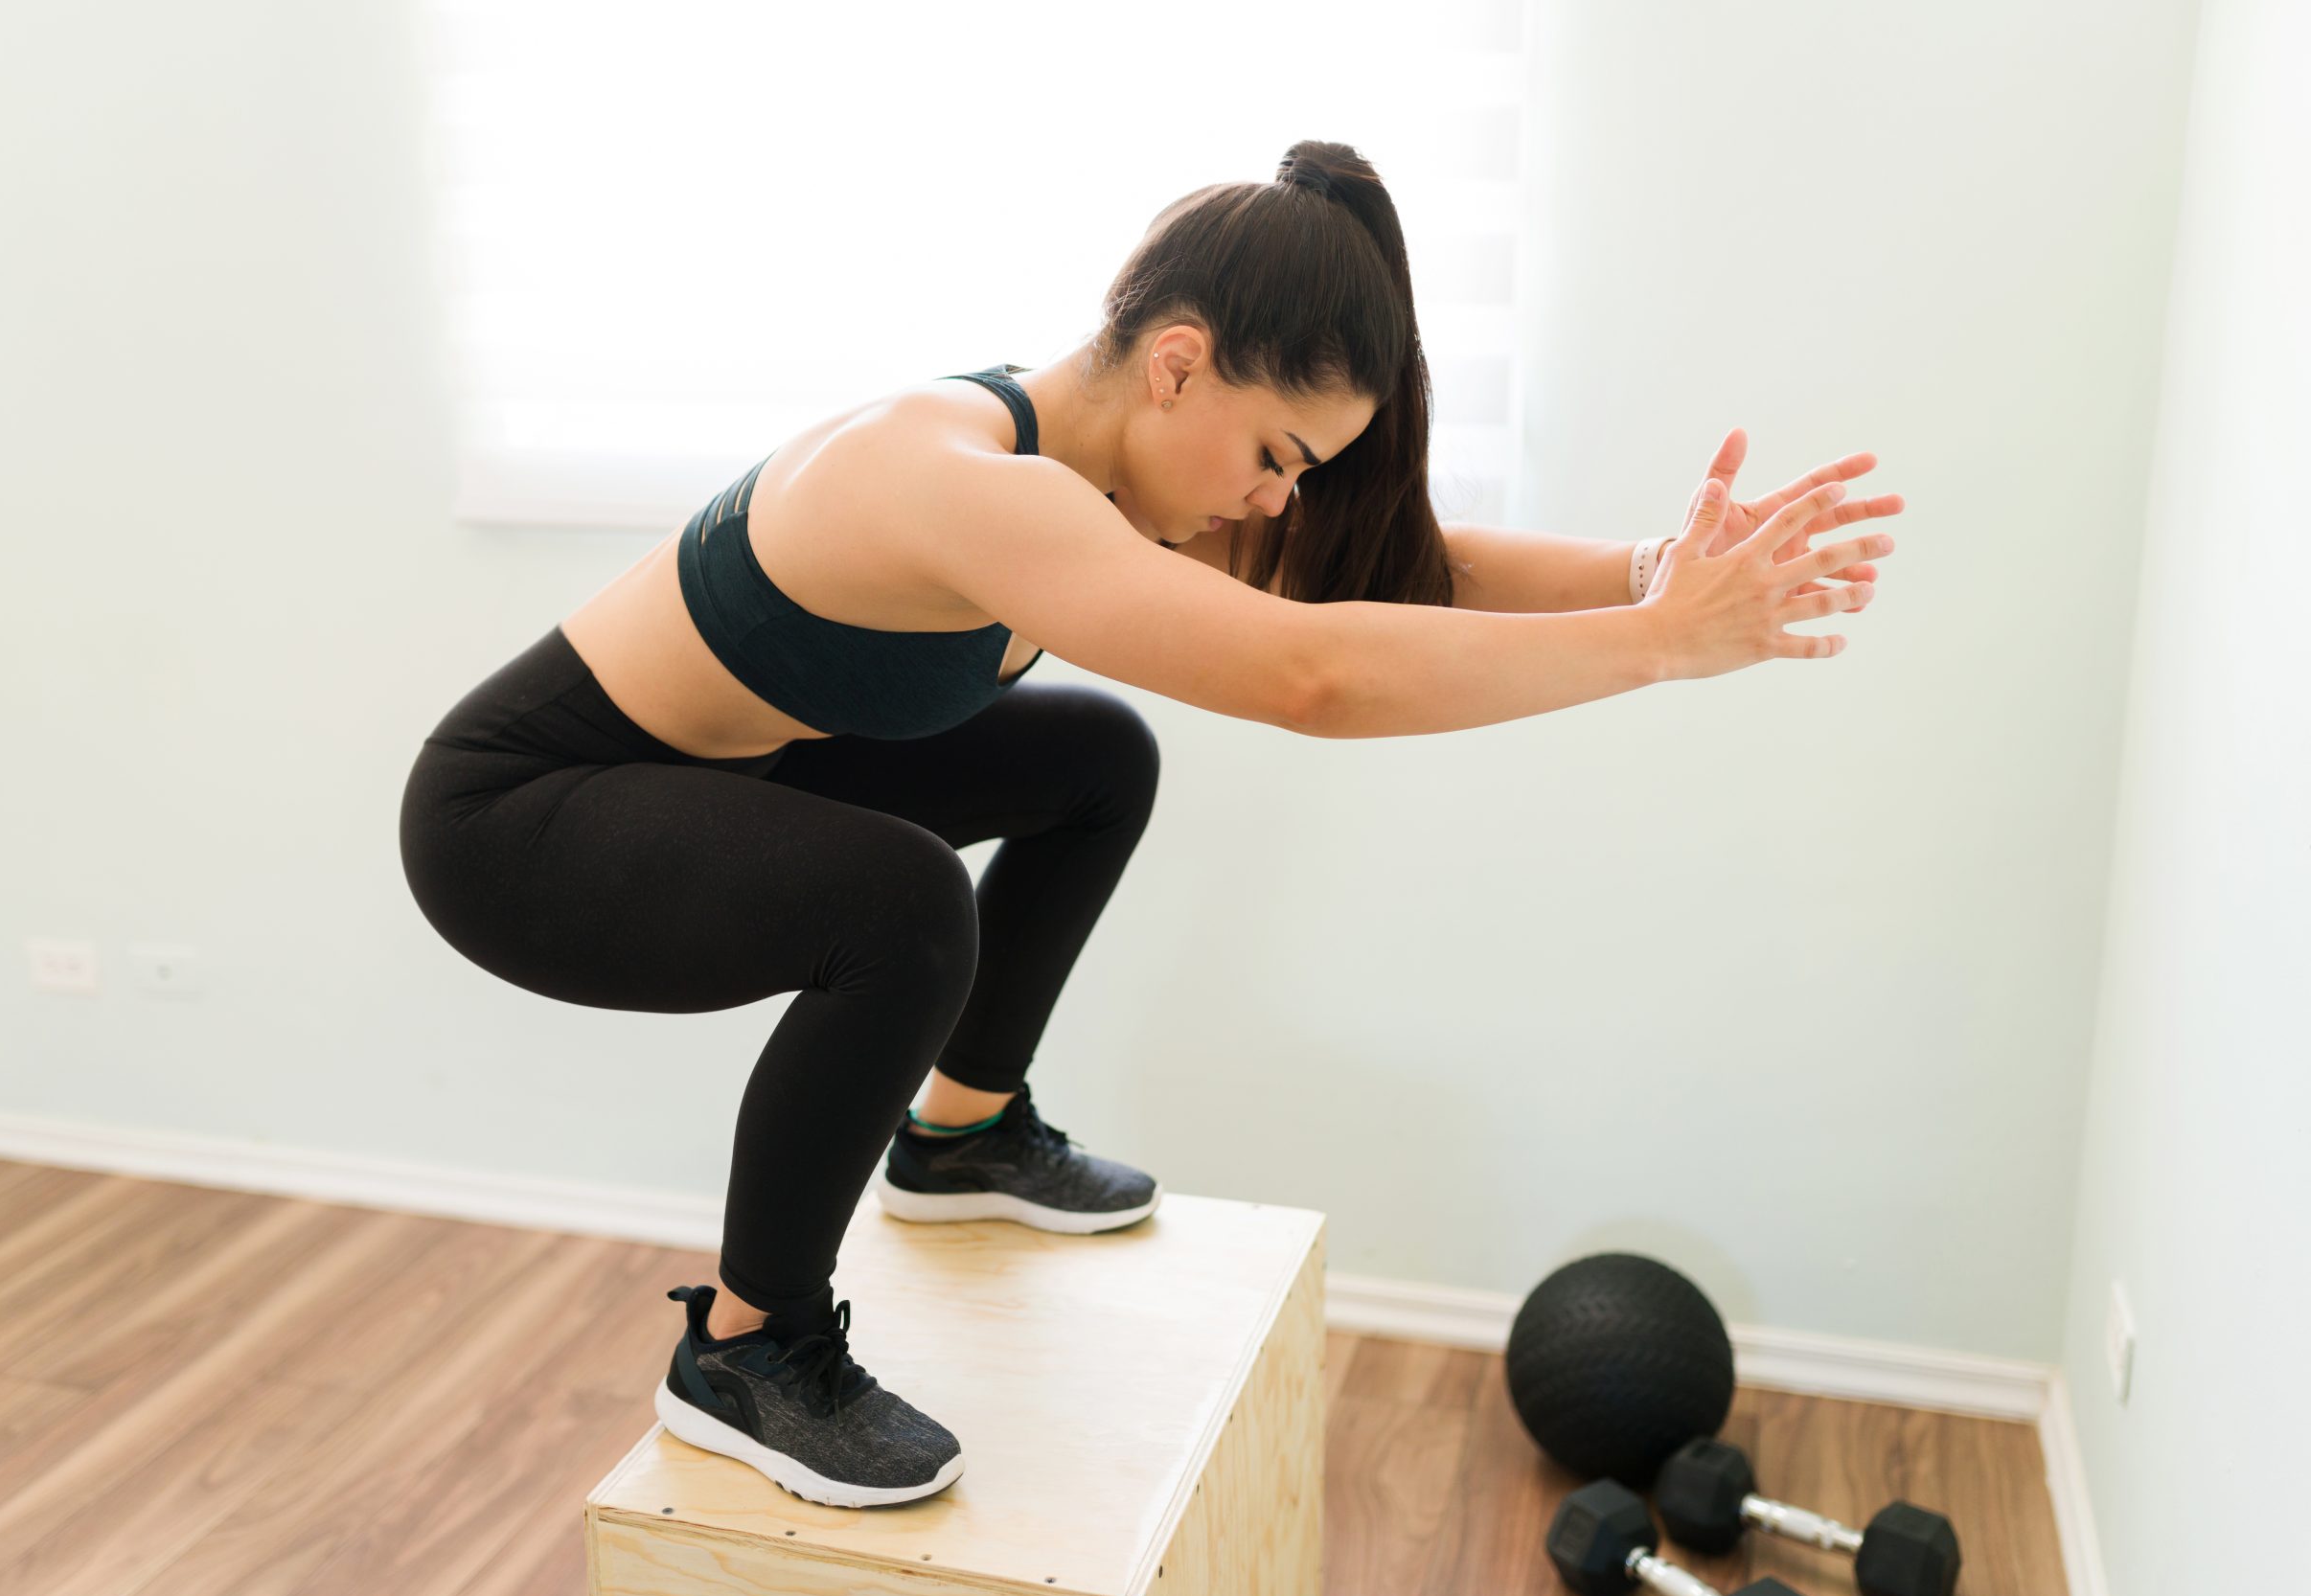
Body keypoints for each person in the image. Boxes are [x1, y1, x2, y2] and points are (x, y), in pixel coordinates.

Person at [396, 140, 1901, 1510]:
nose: (1270, 498)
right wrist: (1656, 651)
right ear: (1179, 363)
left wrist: (1649, 573)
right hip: (516, 820)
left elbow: (1387, 576)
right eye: (1275, 456)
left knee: (1094, 757)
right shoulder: (963, 481)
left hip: (721, 774)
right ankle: (746, 1348)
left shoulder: (1104, 473)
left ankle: (965, 1132)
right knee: (907, 904)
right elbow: (1311, 676)